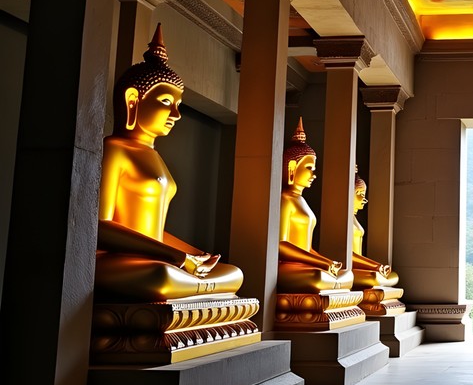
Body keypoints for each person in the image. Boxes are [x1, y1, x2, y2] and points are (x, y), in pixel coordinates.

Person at [94, 25, 243, 302]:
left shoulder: (155, 155)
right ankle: (195, 291)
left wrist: (194, 255)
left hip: (156, 256)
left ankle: (197, 288)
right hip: (119, 259)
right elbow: (100, 226)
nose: (176, 114)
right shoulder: (115, 149)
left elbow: (152, 229)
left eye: (178, 104)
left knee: (233, 273)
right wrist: (174, 256)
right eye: (165, 101)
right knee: (162, 278)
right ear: (132, 101)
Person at [278, 119, 354, 292]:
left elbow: (307, 247)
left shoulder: (301, 201)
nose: (314, 174)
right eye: (309, 168)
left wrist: (326, 262)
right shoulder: (285, 200)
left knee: (347, 275)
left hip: (305, 264)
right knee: (318, 276)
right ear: (292, 168)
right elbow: (281, 245)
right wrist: (322, 263)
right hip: (288, 266)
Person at [352, 169, 399, 286]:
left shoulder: (353, 219)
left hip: (359, 265)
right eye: (360, 195)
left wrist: (377, 267)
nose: (364, 199)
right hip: (349, 267)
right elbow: (347, 255)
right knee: (374, 277)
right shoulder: (341, 219)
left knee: (392, 276)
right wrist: (375, 266)